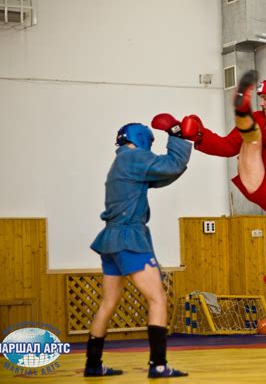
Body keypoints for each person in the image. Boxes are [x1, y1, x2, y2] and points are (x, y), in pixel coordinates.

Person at [153, 71, 266, 309]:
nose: (261, 103)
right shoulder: (258, 118)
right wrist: (199, 135)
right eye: (260, 98)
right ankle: (192, 129)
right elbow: (226, 146)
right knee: (252, 132)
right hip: (254, 176)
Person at [85, 122, 191, 378]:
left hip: (111, 239)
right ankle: (159, 365)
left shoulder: (122, 161)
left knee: (108, 303)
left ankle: (93, 365)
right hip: (129, 238)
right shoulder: (134, 157)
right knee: (157, 299)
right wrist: (177, 135)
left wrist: (177, 148)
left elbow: (164, 175)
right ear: (143, 139)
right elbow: (172, 165)